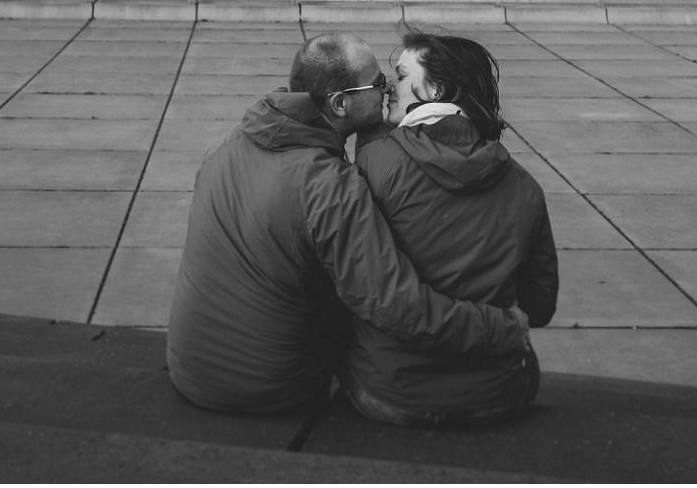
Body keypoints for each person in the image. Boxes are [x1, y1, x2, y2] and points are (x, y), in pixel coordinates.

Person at [166, 31, 530, 414]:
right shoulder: (330, 187)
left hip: (190, 366)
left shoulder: (232, 140)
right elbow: (397, 307)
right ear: (340, 104)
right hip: (268, 387)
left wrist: (373, 136)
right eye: (376, 83)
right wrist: (505, 328)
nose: (389, 86)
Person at [345, 30, 559, 427]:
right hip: (498, 396)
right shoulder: (525, 186)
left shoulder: (376, 164)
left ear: (436, 87)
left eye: (402, 75)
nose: (390, 87)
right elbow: (540, 307)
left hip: (389, 393)